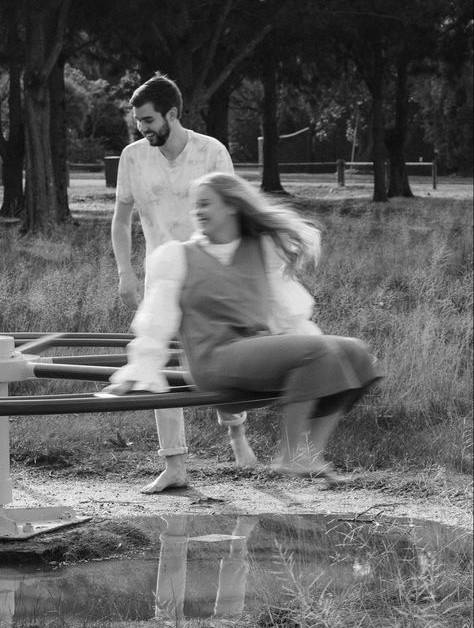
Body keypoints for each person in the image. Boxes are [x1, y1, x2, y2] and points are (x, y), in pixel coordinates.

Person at [107, 172, 381, 483]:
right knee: (322, 351)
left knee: (357, 353)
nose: (197, 211)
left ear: (232, 207)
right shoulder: (176, 256)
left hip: (255, 361)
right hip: (213, 361)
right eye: (195, 205)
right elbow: (156, 321)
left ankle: (310, 453)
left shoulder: (261, 250)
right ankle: (291, 455)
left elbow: (289, 316)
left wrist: (334, 360)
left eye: (206, 204)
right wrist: (139, 370)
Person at [111, 73, 255, 494]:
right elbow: (121, 219)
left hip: (208, 272)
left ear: (173, 114)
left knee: (219, 357)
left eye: (149, 119)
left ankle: (236, 433)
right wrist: (125, 272)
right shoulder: (133, 157)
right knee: (156, 361)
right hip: (159, 276)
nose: (143, 127)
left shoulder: (211, 152)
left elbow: (234, 215)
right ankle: (174, 465)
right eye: (138, 121)